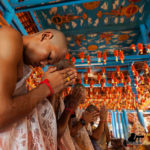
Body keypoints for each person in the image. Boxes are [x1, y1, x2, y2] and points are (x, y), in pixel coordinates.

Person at [0, 26, 76, 150]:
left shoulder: (23, 63)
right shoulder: (11, 37)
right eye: (49, 57)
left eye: (48, 63)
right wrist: (46, 88)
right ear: (45, 36)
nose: (43, 64)